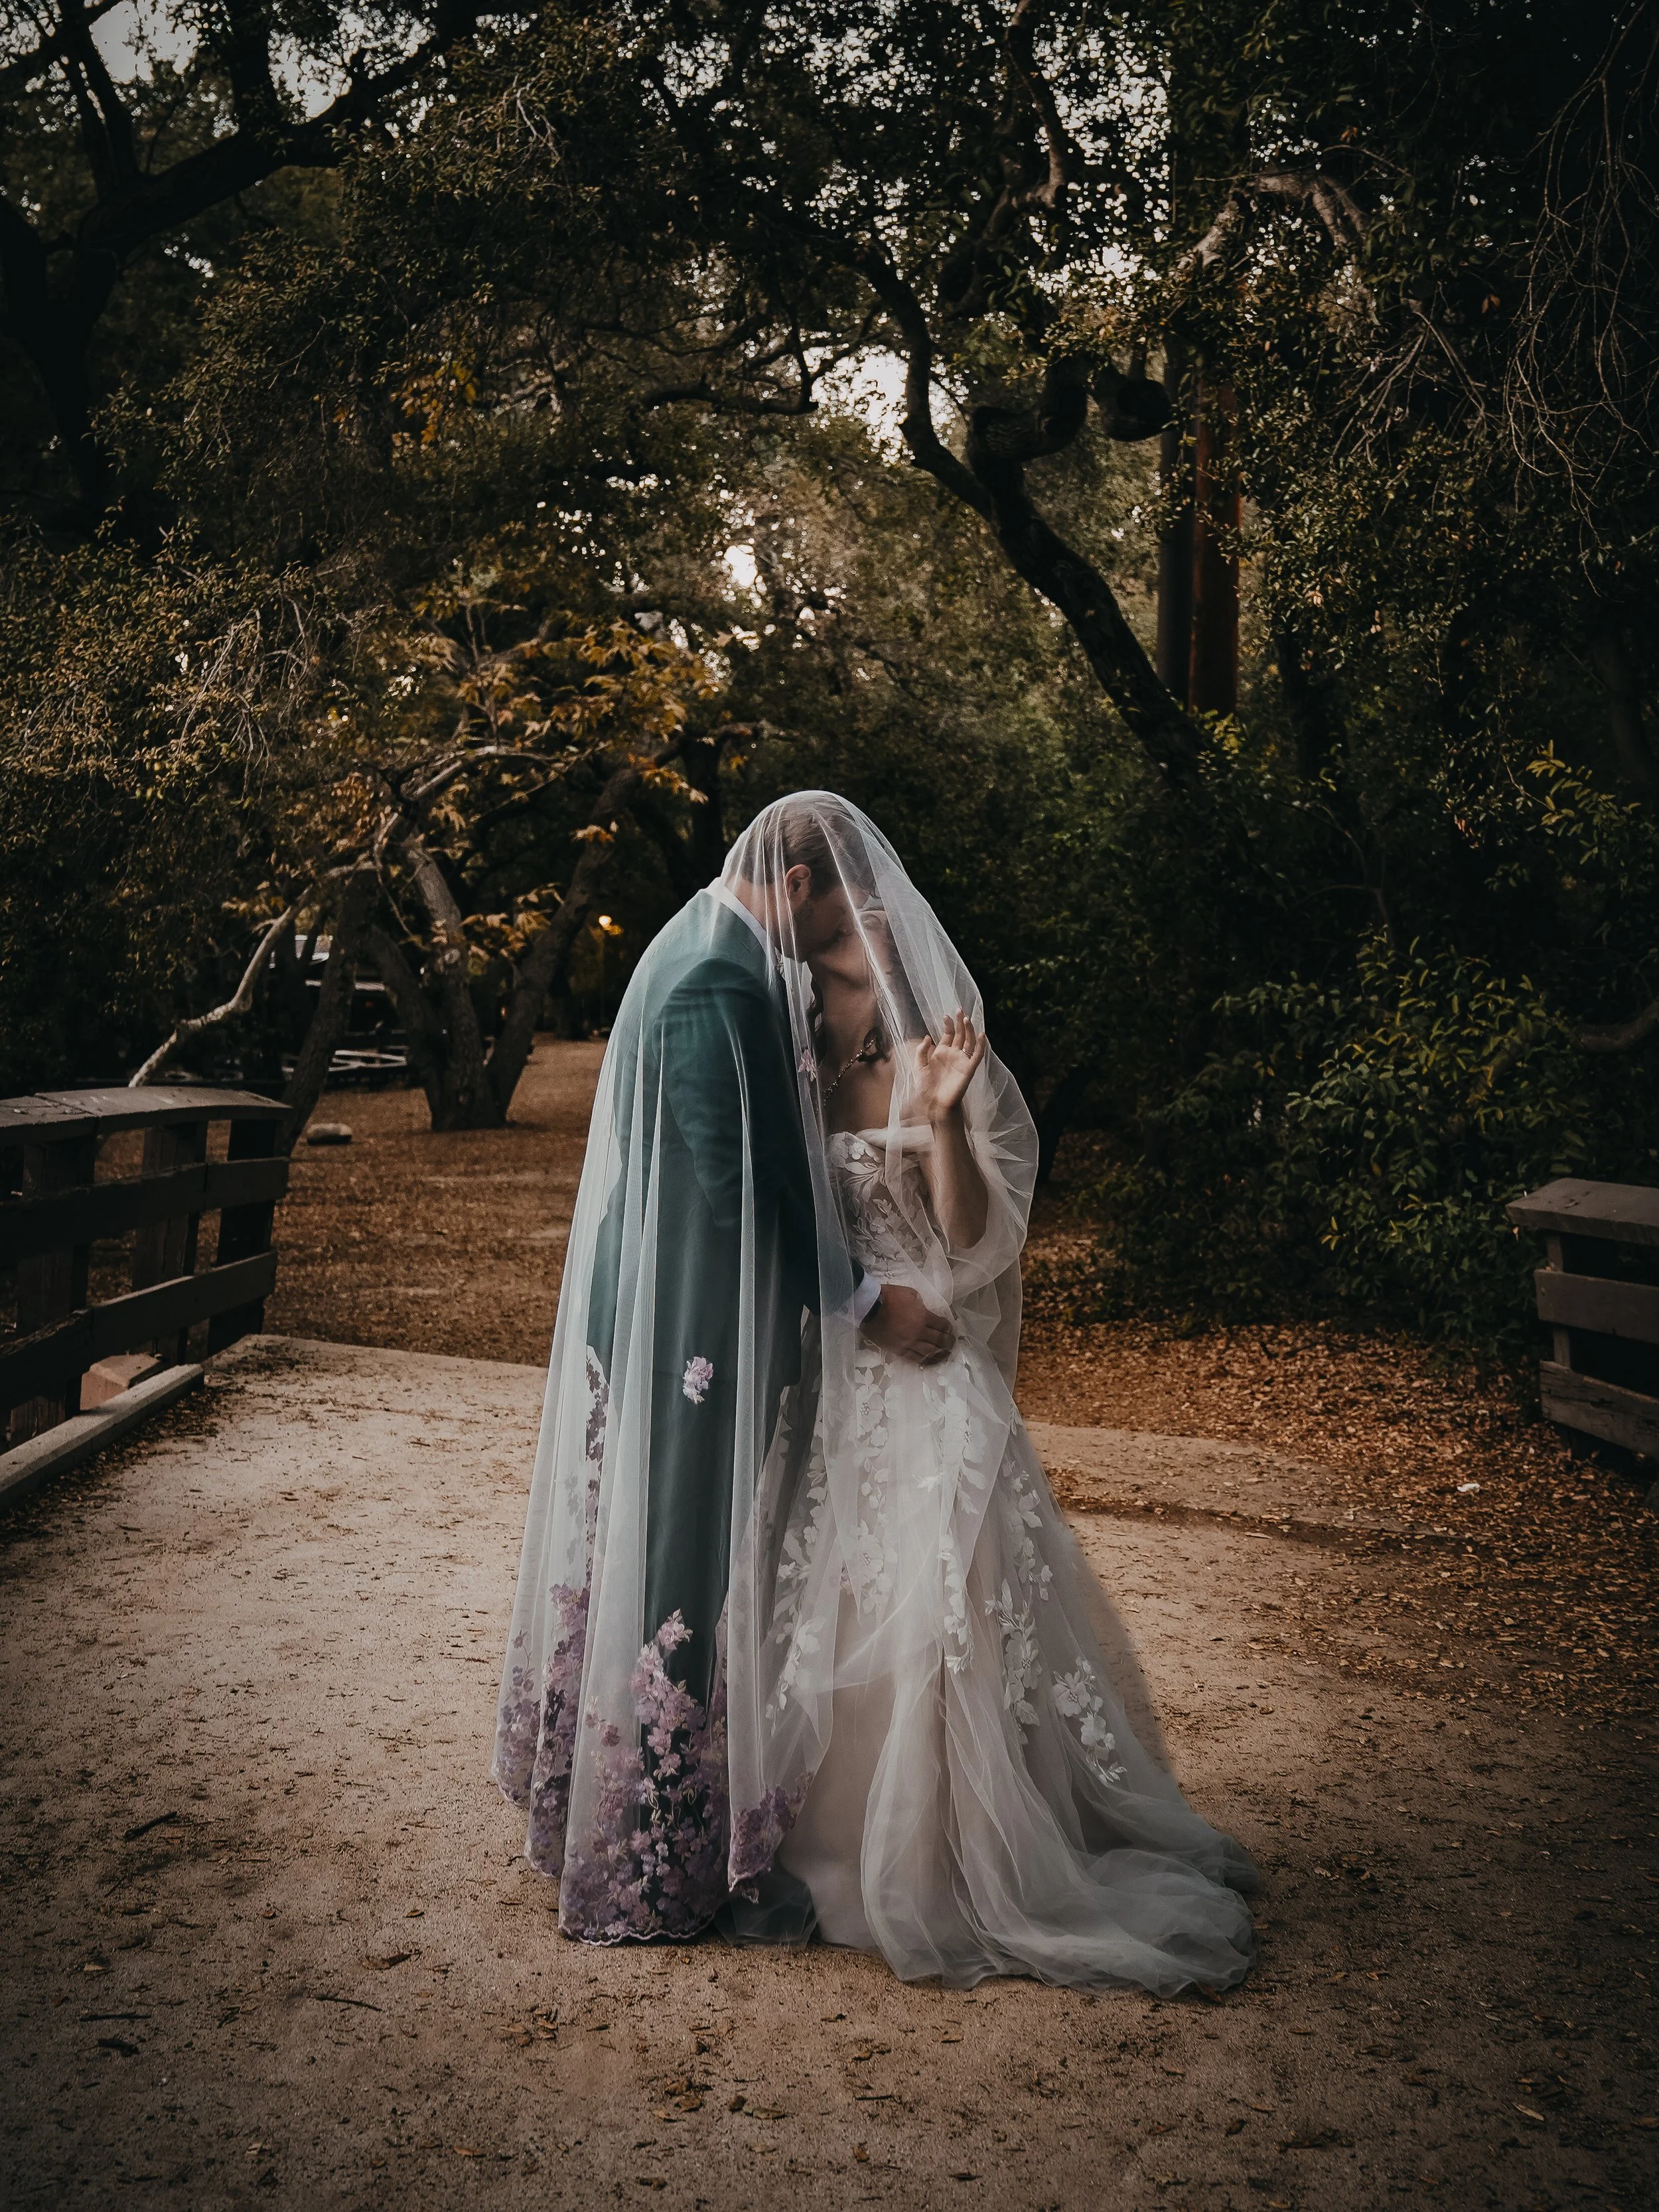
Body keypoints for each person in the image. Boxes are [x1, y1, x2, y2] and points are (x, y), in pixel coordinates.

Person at [494, 792, 1256, 1992]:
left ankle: (850, 1835)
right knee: (728, 1574)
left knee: (869, 1596)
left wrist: (939, 1129)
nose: (864, 950)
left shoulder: (819, 1017)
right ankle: (697, 1831)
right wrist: (857, 1307)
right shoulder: (733, 987)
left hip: (851, 1361)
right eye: (851, 927)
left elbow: (952, 1229)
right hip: (778, 1347)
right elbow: (748, 1196)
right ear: (802, 897)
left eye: (873, 938)